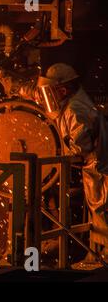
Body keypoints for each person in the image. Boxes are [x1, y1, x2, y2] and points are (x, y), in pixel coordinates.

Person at [37, 63, 108, 254]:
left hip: (99, 168)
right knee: (100, 214)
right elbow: (36, 94)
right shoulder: (72, 100)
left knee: (103, 214)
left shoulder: (76, 109)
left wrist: (55, 150)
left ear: (62, 89)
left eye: (52, 91)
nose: (48, 96)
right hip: (96, 166)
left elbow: (79, 148)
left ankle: (104, 261)